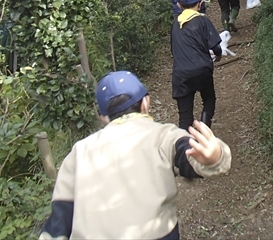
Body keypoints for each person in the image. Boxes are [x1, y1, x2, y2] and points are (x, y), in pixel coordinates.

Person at [39, 70, 231, 240]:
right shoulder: (163, 135)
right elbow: (187, 154)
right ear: (146, 102)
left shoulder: (79, 152)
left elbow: (59, 221)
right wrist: (216, 156)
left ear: (103, 117)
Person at [171, 0, 223, 131]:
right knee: (209, 98)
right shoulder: (202, 21)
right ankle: (204, 131)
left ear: (180, 5)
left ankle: (184, 149)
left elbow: (174, 51)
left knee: (185, 117)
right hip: (201, 70)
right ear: (200, 4)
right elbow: (216, 47)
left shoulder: (175, 25)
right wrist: (217, 56)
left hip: (180, 74)